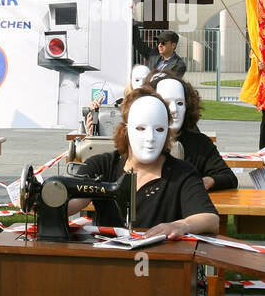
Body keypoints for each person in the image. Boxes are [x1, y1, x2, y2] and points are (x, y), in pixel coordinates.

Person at [72, 89, 219, 239]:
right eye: (141, 129)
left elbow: (210, 219)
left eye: (159, 129)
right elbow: (72, 200)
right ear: (126, 130)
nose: (150, 138)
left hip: (161, 258)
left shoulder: (182, 174)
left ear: (168, 132)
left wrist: (182, 225)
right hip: (109, 259)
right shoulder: (101, 166)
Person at [155, 76, 236, 191]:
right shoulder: (143, 142)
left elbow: (229, 177)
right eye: (167, 103)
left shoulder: (201, 144)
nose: (174, 109)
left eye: (179, 103)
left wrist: (209, 181)